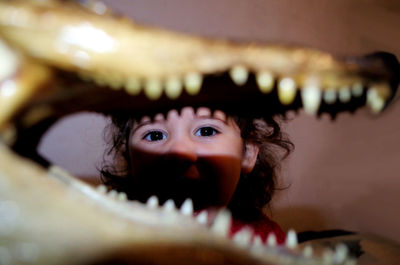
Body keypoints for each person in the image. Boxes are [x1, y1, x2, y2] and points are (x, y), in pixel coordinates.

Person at [101, 106, 293, 244]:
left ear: (247, 154)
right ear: (129, 157)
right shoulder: (111, 237)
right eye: (155, 135)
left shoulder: (265, 240)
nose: (179, 151)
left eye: (206, 131)